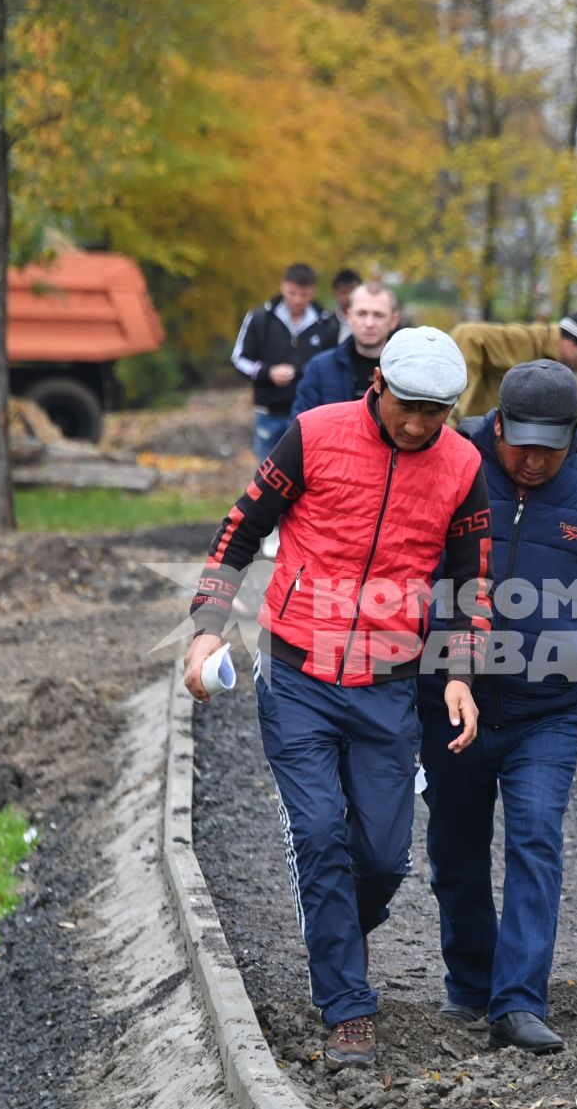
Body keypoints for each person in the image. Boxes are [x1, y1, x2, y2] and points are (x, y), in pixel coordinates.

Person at [185, 326, 494, 1069]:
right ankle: (347, 1008)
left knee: (384, 859)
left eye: (437, 413)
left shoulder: (462, 466)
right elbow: (240, 529)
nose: (419, 425)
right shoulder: (313, 435)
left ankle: (335, 936)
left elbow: (468, 581)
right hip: (296, 672)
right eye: (408, 408)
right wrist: (205, 628)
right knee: (320, 833)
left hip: (388, 686)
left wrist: (459, 672)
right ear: (379, 386)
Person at [418, 360, 577, 1054]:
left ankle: (518, 1004)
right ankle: (472, 985)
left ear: (573, 435)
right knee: (455, 849)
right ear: (500, 426)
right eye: (522, 444)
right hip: (453, 697)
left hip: (547, 709)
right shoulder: (450, 465)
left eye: (551, 446)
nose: (534, 459)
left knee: (536, 841)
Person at [231, 263, 340, 466]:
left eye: (304, 294)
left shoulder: (327, 325)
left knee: (305, 472)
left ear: (314, 291)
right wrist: (268, 372)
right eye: (292, 293)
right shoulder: (259, 318)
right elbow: (239, 359)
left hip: (309, 413)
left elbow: (332, 367)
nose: (298, 300)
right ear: (282, 286)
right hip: (268, 411)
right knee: (265, 474)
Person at [449, 311, 577, 421]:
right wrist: (451, 411)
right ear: (575, 346)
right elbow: (468, 335)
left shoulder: (550, 366)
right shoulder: (528, 341)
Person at [291, 282, 399, 415]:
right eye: (361, 314)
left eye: (378, 315)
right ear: (349, 316)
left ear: (394, 320)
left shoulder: (406, 370)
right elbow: (300, 425)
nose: (369, 323)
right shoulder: (319, 368)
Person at [330, 268, 362, 343]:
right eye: (343, 292)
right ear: (335, 293)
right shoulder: (326, 324)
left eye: (352, 291)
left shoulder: (370, 322)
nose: (348, 297)